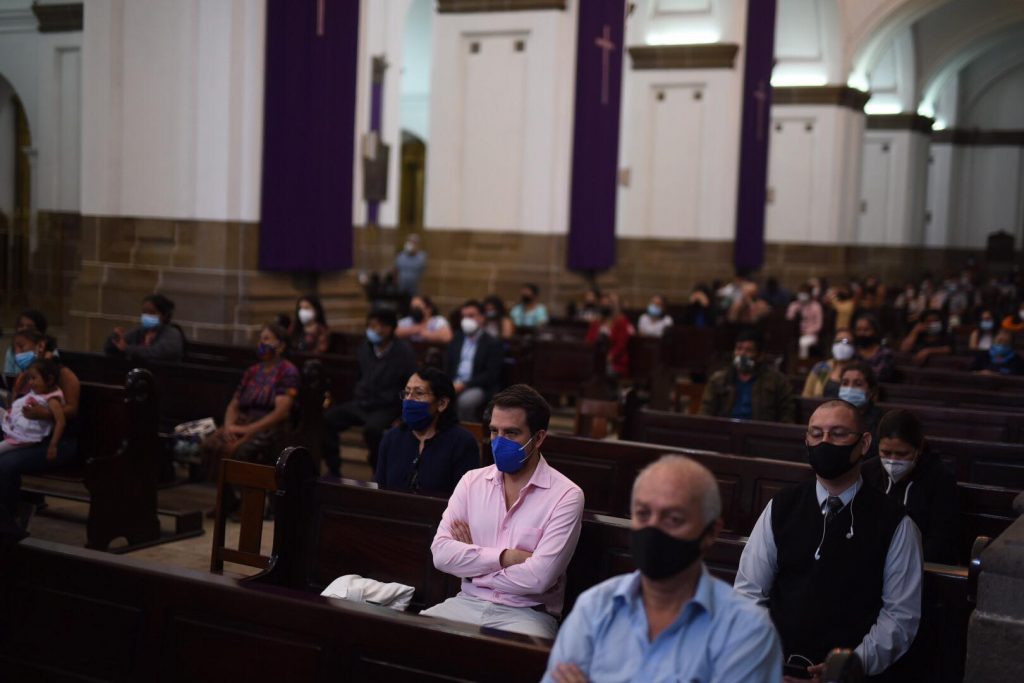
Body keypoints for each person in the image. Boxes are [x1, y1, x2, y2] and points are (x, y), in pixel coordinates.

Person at [543, 456, 782, 683]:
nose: (653, 529)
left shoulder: (747, 630)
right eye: (643, 514)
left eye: (674, 519)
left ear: (710, 532)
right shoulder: (594, 608)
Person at [734, 400, 922, 681]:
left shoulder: (895, 523)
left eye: (837, 434)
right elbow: (749, 593)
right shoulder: (782, 506)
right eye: (816, 433)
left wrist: (849, 667)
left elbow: (899, 616)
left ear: (864, 443)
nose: (825, 442)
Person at [423, 384, 584, 638]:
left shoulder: (566, 495)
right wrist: (508, 557)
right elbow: (441, 555)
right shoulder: (471, 481)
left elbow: (539, 579)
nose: (499, 442)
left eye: (511, 433)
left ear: (539, 438)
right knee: (411, 640)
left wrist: (474, 569)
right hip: (466, 602)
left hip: (528, 614)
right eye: (494, 432)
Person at [200, 323, 300, 486]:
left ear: (281, 345)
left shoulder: (287, 371)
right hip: (243, 422)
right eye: (260, 339)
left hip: (270, 427)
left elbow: (281, 412)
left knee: (239, 451)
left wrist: (247, 430)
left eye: (266, 339)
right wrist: (228, 427)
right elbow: (234, 404)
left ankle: (247, 500)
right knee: (210, 444)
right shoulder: (252, 371)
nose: (261, 343)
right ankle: (225, 499)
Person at [322, 310, 417, 476]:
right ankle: (334, 468)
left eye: (376, 326)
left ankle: (377, 469)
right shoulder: (365, 347)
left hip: (387, 405)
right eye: (370, 325)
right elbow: (359, 375)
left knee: (372, 430)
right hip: (362, 402)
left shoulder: (403, 352)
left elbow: (409, 382)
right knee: (328, 419)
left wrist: (402, 411)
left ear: (388, 328)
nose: (372, 330)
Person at [0, 329, 81, 518]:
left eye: (22, 347)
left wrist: (44, 414)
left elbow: (71, 410)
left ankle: (8, 521)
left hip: (57, 441)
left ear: (41, 346)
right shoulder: (27, 375)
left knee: (4, 464)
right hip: (23, 433)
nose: (17, 353)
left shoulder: (63, 375)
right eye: (15, 348)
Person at [862, 409, 959, 565]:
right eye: (886, 452)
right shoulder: (867, 472)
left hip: (918, 564)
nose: (892, 461)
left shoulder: (940, 480)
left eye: (902, 454)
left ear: (919, 449)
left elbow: (941, 540)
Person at [375, 368, 480, 495]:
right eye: (407, 393)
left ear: (442, 403)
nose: (409, 399)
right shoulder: (391, 438)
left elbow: (464, 500)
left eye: (418, 393)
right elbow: (380, 489)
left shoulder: (462, 443)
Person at [701, 330, 795, 422]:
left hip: (759, 433)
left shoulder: (778, 381)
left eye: (748, 350)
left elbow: (787, 417)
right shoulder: (718, 380)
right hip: (726, 432)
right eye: (739, 349)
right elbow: (705, 413)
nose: (742, 354)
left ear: (760, 355)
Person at [444, 300, 504, 422]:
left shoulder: (492, 343)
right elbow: (447, 365)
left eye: (471, 316)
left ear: (482, 318)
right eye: (464, 316)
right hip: (454, 382)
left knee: (465, 402)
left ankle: (469, 434)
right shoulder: (457, 339)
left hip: (478, 386)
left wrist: (464, 384)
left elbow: (490, 374)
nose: (466, 320)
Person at [0, 358, 65, 459]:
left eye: (33, 378)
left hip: (25, 436)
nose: (30, 382)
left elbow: (60, 421)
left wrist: (53, 445)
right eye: (29, 379)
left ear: (50, 379)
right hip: (16, 423)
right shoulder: (38, 390)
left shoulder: (52, 400)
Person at [104, 293, 185, 362]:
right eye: (144, 312)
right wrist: (115, 338)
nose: (147, 316)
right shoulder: (140, 331)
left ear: (164, 315)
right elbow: (117, 347)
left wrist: (128, 349)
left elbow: (156, 353)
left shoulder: (172, 334)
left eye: (152, 312)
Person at [838, 361, 884, 458]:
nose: (849, 389)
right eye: (845, 383)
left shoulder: (880, 422)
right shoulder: (830, 415)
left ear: (871, 391)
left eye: (858, 384)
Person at [585, 293, 635, 379]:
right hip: (595, 360)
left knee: (600, 373)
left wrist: (608, 357)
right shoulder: (596, 322)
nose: (604, 306)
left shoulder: (621, 322)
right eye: (602, 304)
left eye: (608, 304)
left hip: (615, 363)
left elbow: (621, 345)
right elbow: (589, 340)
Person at [802, 328, 855, 398]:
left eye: (846, 342)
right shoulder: (822, 367)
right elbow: (807, 394)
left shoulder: (858, 369)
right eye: (837, 341)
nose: (841, 345)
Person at [853, 314, 895, 383]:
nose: (861, 333)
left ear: (875, 332)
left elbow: (879, 376)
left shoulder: (885, 354)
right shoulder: (852, 352)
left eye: (866, 330)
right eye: (858, 330)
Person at [3, 309, 47, 374]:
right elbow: (8, 377)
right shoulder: (11, 351)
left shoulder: (49, 350)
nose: (24, 329)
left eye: (30, 327)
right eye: (21, 326)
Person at [787, 284, 824, 360]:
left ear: (810, 294)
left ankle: (802, 363)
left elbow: (819, 325)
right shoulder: (794, 305)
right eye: (801, 293)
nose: (802, 295)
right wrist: (795, 310)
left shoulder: (816, 306)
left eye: (805, 293)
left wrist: (806, 332)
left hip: (811, 334)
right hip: (794, 334)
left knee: (803, 342)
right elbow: (789, 319)